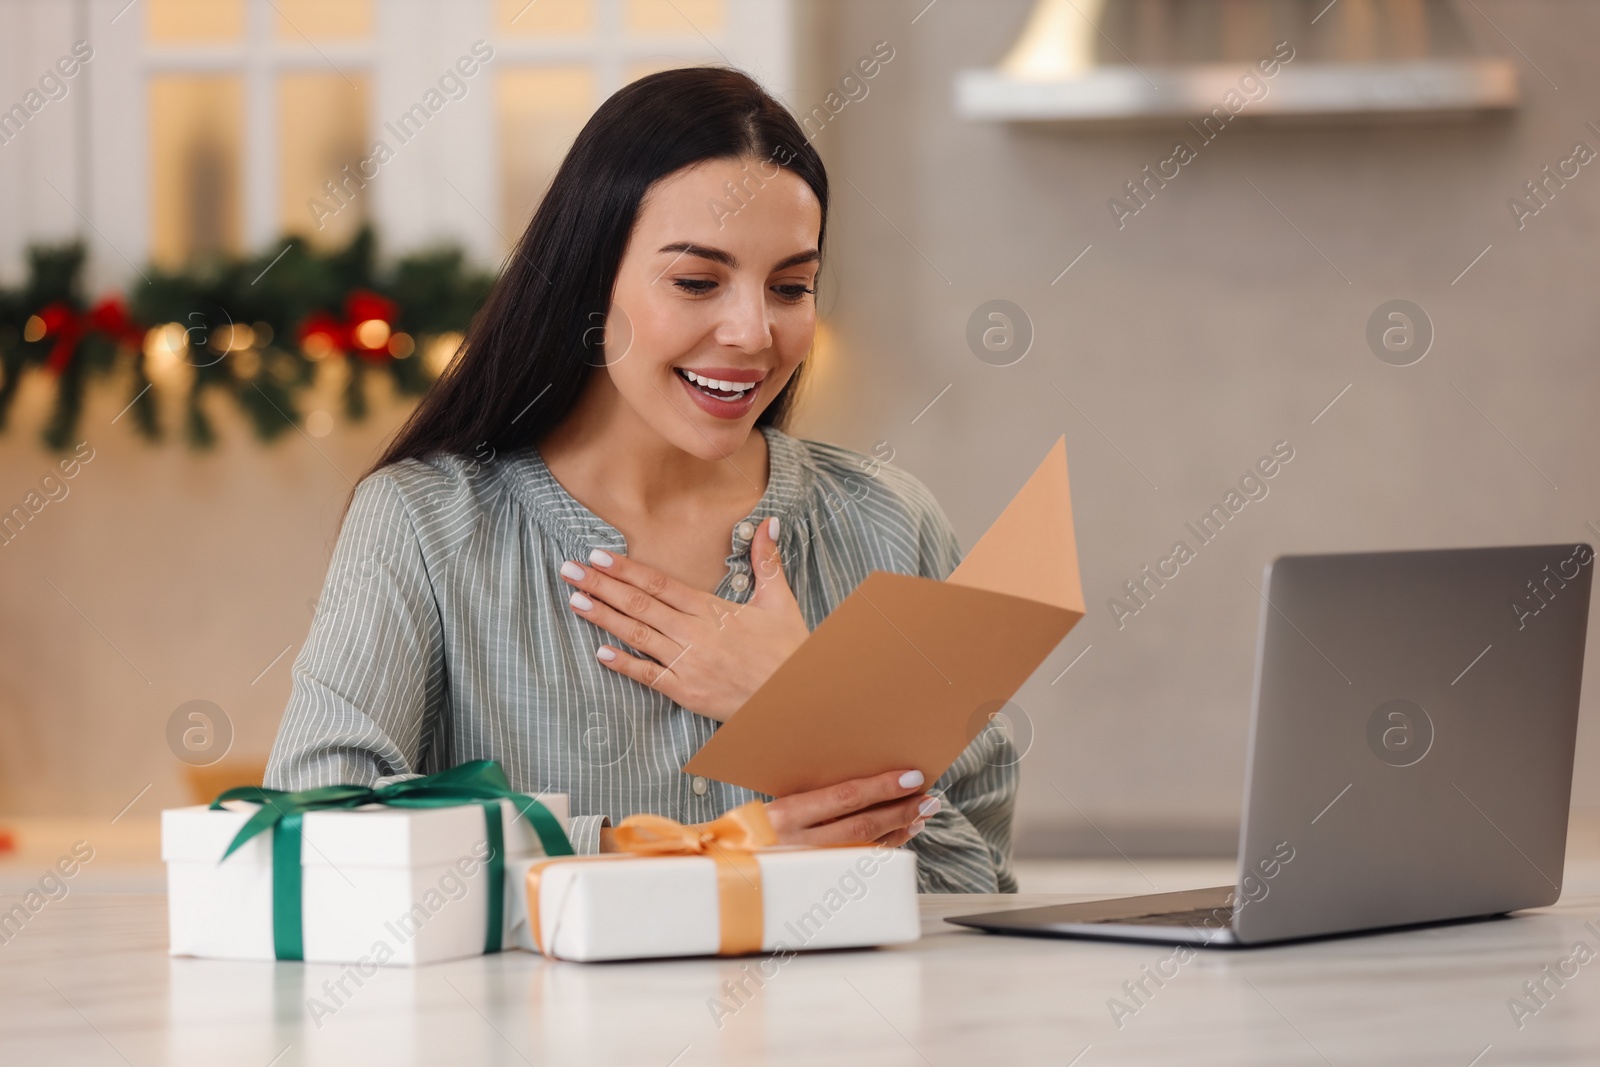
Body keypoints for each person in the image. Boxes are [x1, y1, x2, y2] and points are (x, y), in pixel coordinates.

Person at [264, 66, 1018, 893]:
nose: (751, 330)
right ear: (590, 283)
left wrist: (808, 714)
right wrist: (678, 852)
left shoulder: (890, 525)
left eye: (791, 286)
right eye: (697, 281)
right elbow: (311, 836)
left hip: (823, 1029)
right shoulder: (427, 523)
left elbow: (971, 887)